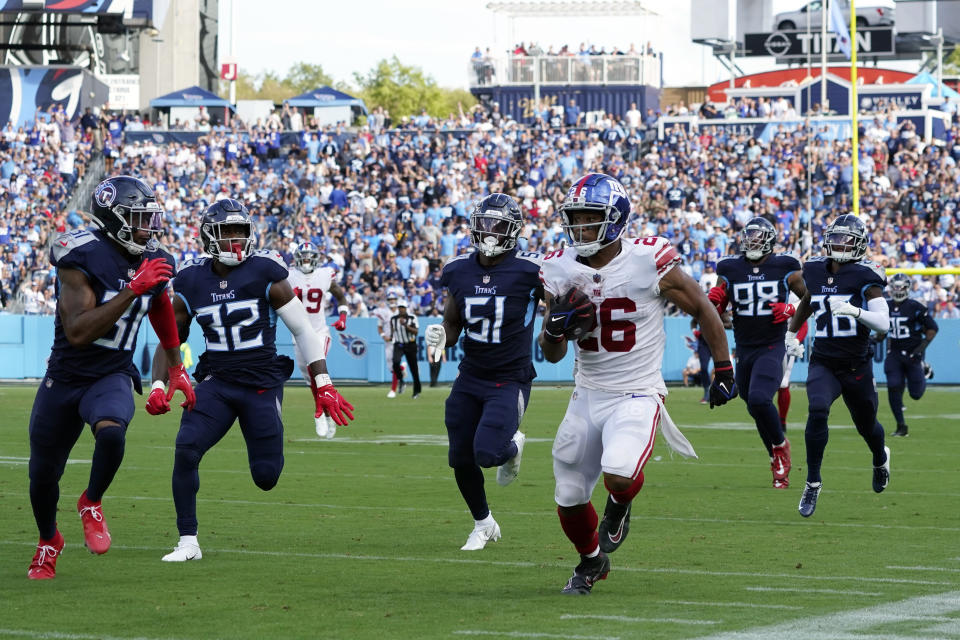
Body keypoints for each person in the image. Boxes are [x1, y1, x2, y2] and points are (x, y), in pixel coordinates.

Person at [538, 173, 736, 595]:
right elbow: (551, 354)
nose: (581, 228)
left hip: (637, 391)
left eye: (591, 219)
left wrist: (724, 367)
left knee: (620, 474)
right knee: (569, 495)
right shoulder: (558, 267)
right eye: (576, 218)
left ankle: (620, 506)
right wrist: (554, 329)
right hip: (588, 390)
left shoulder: (649, 259)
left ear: (615, 220)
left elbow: (702, 307)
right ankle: (591, 561)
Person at [154, 199, 354, 562]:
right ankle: (188, 540)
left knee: (266, 476)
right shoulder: (191, 279)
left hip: (261, 382)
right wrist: (158, 382)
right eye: (226, 232)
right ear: (208, 237)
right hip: (217, 380)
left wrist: (322, 381)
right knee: (186, 449)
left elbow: (303, 330)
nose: (235, 240)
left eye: (240, 232)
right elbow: (170, 336)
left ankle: (272, 427)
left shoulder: (264, 270)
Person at [26, 175, 196, 579]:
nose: (149, 229)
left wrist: (175, 368)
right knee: (42, 474)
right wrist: (131, 290)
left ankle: (92, 500)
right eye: (139, 219)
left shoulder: (155, 258)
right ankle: (48, 540)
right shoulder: (80, 254)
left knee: (113, 431)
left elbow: (160, 306)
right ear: (115, 218)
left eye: (150, 219)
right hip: (65, 376)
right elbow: (79, 332)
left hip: (112, 373)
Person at [425, 194, 543, 551]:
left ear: (514, 231)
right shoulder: (459, 270)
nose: (491, 233)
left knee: (487, 453)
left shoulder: (531, 269)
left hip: (510, 377)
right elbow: (452, 321)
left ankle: (513, 446)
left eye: (499, 226)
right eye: (485, 225)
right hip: (470, 376)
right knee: (460, 457)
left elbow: (558, 303)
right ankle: (483, 523)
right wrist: (441, 335)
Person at [786, 214, 891, 518]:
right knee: (817, 410)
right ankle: (813, 482)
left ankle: (879, 459)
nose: (839, 244)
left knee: (867, 426)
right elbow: (808, 298)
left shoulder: (866, 276)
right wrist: (791, 332)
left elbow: (883, 324)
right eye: (836, 237)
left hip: (856, 364)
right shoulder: (815, 269)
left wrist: (854, 310)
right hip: (824, 361)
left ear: (859, 244)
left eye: (847, 239)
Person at [709, 217, 808, 489]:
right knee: (754, 405)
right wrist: (712, 302)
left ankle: (780, 447)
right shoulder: (729, 268)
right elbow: (715, 311)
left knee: (760, 398)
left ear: (769, 240)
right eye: (748, 236)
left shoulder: (785, 265)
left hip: (772, 345)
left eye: (757, 236)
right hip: (744, 346)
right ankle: (776, 456)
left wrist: (790, 311)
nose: (752, 241)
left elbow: (810, 299)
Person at [287, 241, 349, 439]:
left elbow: (340, 296)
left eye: (308, 257)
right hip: (298, 333)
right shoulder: (289, 275)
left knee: (316, 369)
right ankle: (326, 410)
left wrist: (343, 317)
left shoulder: (324, 275)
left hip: (319, 331)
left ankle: (320, 413)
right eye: (302, 257)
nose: (305, 261)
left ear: (315, 259)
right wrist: (290, 296)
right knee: (310, 378)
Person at [883, 272, 938, 437]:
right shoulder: (885, 305)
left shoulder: (915, 307)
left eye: (901, 287)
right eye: (895, 287)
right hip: (894, 353)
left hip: (913, 355)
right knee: (893, 386)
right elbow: (882, 330)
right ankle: (901, 426)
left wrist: (919, 350)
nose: (898, 290)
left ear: (907, 288)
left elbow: (932, 329)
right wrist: (873, 340)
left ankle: (924, 369)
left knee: (916, 394)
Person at [777, 291, 808, 432]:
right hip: (765, 341)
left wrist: (794, 341)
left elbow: (803, 324)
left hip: (784, 343)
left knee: (783, 383)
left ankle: (782, 422)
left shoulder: (794, 295)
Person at [373, 292, 405, 397]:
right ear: (388, 300)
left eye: (393, 299)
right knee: (390, 367)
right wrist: (383, 336)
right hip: (388, 341)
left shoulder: (401, 311)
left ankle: (393, 390)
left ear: (396, 300)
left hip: (398, 341)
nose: (392, 301)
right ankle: (402, 369)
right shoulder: (384, 312)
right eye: (390, 299)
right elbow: (379, 327)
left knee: (395, 364)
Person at [389, 299, 421, 398]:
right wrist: (391, 336)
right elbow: (392, 330)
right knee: (395, 362)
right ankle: (401, 380)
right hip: (399, 344)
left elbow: (416, 332)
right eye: (400, 308)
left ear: (406, 308)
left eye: (403, 308)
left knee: (413, 369)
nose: (401, 310)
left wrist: (405, 326)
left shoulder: (412, 317)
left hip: (410, 344)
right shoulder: (393, 319)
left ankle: (416, 391)